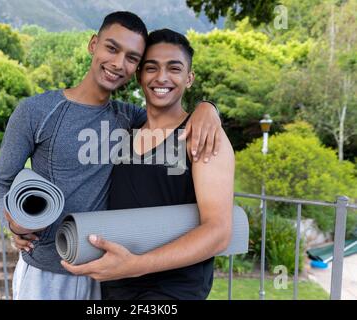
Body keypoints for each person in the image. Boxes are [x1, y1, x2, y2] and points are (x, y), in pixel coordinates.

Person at [0, 12, 223, 300]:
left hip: (106, 273)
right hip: (47, 272)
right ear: (93, 44)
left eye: (132, 57)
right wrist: (12, 221)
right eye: (112, 48)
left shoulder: (130, 118)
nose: (118, 63)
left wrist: (207, 109)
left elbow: (172, 114)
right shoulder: (35, 111)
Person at [61, 29, 235, 300]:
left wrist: (136, 266)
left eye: (174, 68)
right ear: (140, 76)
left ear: (189, 79)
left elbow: (218, 233)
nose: (161, 77)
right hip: (114, 287)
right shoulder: (124, 131)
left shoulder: (203, 136)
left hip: (172, 292)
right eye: (151, 68)